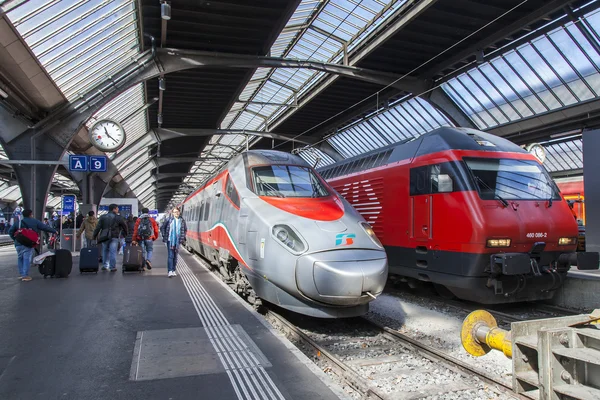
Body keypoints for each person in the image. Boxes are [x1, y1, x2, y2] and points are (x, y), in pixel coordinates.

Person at [8, 209, 57, 281]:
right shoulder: (34, 221)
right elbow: (44, 227)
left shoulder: (18, 222)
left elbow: (10, 231)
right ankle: (25, 275)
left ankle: (22, 274)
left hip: (18, 243)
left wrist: (15, 239)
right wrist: (54, 231)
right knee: (26, 259)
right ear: (30, 214)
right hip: (28, 243)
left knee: (20, 258)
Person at [92, 204, 127, 272]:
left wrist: (94, 236)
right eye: (117, 209)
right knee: (112, 252)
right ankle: (112, 267)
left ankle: (105, 265)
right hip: (114, 236)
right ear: (114, 209)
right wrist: (125, 234)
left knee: (105, 250)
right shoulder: (119, 217)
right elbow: (124, 226)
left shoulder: (103, 217)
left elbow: (98, 227)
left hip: (104, 236)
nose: (118, 210)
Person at [160, 207, 187, 278]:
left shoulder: (182, 221)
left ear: (179, 212)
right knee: (170, 256)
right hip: (170, 240)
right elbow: (162, 227)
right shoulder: (169, 220)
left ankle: (174, 270)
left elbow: (185, 229)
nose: (176, 213)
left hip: (178, 241)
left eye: (177, 212)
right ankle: (170, 271)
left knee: (175, 257)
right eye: (175, 212)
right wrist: (164, 235)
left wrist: (183, 237)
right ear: (172, 213)